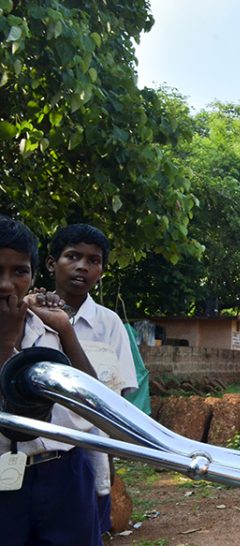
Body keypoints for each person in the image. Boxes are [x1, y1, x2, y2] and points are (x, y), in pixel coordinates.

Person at [0, 214, 103, 545]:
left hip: (64, 474)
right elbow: (16, 424)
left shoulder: (46, 326)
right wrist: (5, 343)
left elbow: (92, 401)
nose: (6, 284)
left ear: (32, 274)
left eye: (19, 271)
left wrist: (64, 328)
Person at [46, 223, 139, 535]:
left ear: (101, 270)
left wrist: (108, 458)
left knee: (87, 532)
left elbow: (113, 401)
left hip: (90, 456)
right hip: (36, 454)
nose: (82, 267)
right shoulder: (27, 314)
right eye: (73, 256)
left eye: (93, 260)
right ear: (51, 263)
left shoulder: (109, 324)